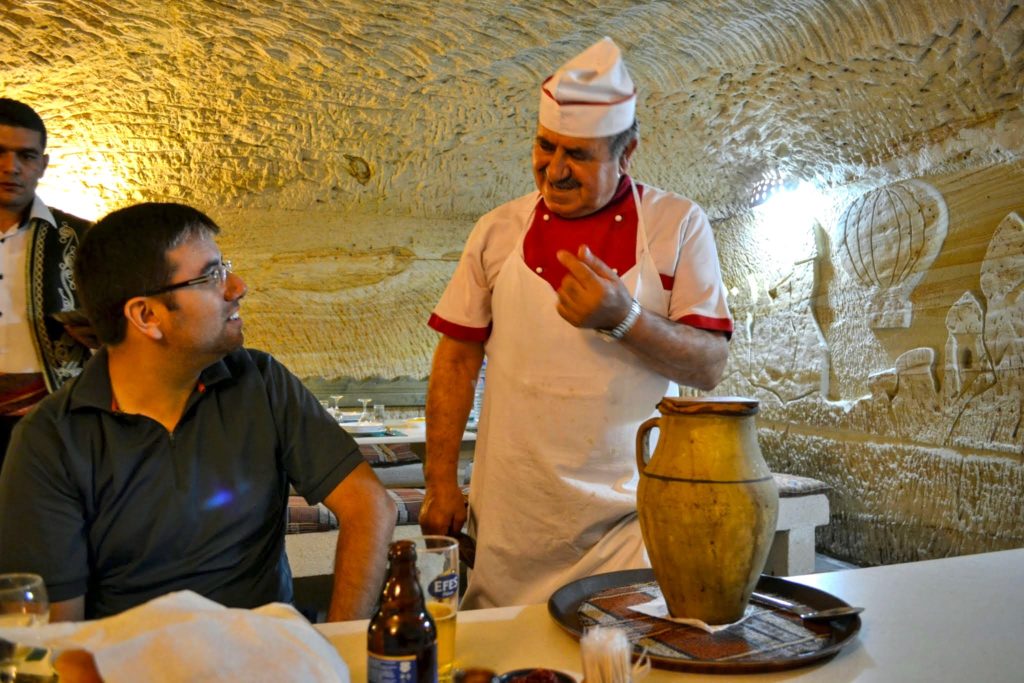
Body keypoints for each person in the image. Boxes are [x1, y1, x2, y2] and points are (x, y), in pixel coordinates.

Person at [420, 38, 733, 608]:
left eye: (580, 156)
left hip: (629, 518)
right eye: (545, 146)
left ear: (627, 152)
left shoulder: (677, 225)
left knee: (619, 661)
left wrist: (625, 319)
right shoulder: (496, 231)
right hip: (513, 517)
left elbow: (710, 365)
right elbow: (457, 358)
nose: (555, 170)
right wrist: (440, 482)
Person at [0, 202, 396, 621]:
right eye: (212, 276)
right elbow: (58, 631)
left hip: (267, 659)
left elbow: (370, 505)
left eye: (226, 267)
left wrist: (335, 651)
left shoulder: (259, 381)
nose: (237, 286)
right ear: (146, 316)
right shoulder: (51, 439)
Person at [0, 98, 92, 471]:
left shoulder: (82, 236)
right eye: (0, 152)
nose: (11, 167)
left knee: (38, 524)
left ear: (43, 164)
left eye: (26, 155)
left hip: (53, 415)